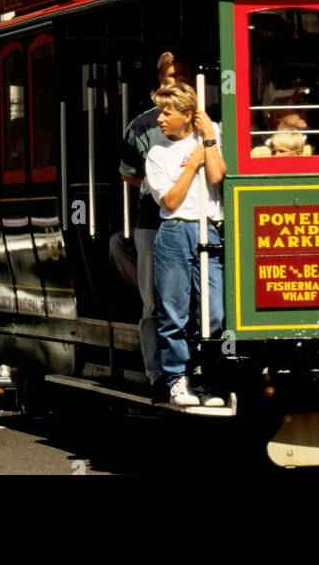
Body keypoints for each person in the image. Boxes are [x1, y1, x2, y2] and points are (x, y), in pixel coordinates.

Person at [145, 82, 226, 408]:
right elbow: (171, 200)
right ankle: (177, 378)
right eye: (160, 112)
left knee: (213, 313)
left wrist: (208, 139)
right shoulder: (158, 154)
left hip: (210, 230)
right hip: (176, 232)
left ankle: (204, 377)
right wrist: (191, 166)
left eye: (168, 112)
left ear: (188, 115)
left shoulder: (211, 135)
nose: (160, 119)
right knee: (174, 312)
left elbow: (218, 177)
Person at [117, 52, 192, 399]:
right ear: (159, 79)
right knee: (154, 300)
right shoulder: (142, 124)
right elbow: (127, 174)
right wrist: (159, 185)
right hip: (152, 220)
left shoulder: (208, 120)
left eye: (179, 75)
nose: (173, 82)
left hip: (195, 219)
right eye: (167, 77)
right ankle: (157, 374)